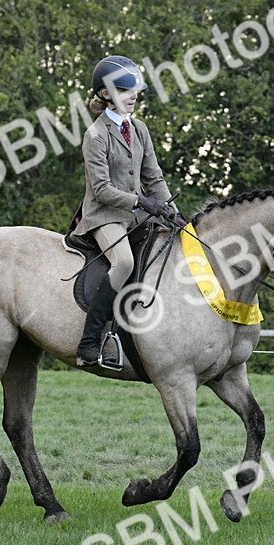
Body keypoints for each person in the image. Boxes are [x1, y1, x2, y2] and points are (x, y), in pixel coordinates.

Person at [63, 55, 185, 366]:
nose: (134, 96)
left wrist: (172, 211)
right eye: (125, 90)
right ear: (105, 94)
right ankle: (89, 343)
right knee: (124, 263)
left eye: (135, 90)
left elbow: (153, 177)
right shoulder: (96, 135)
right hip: (104, 215)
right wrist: (144, 202)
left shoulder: (139, 129)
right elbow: (102, 190)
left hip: (136, 215)